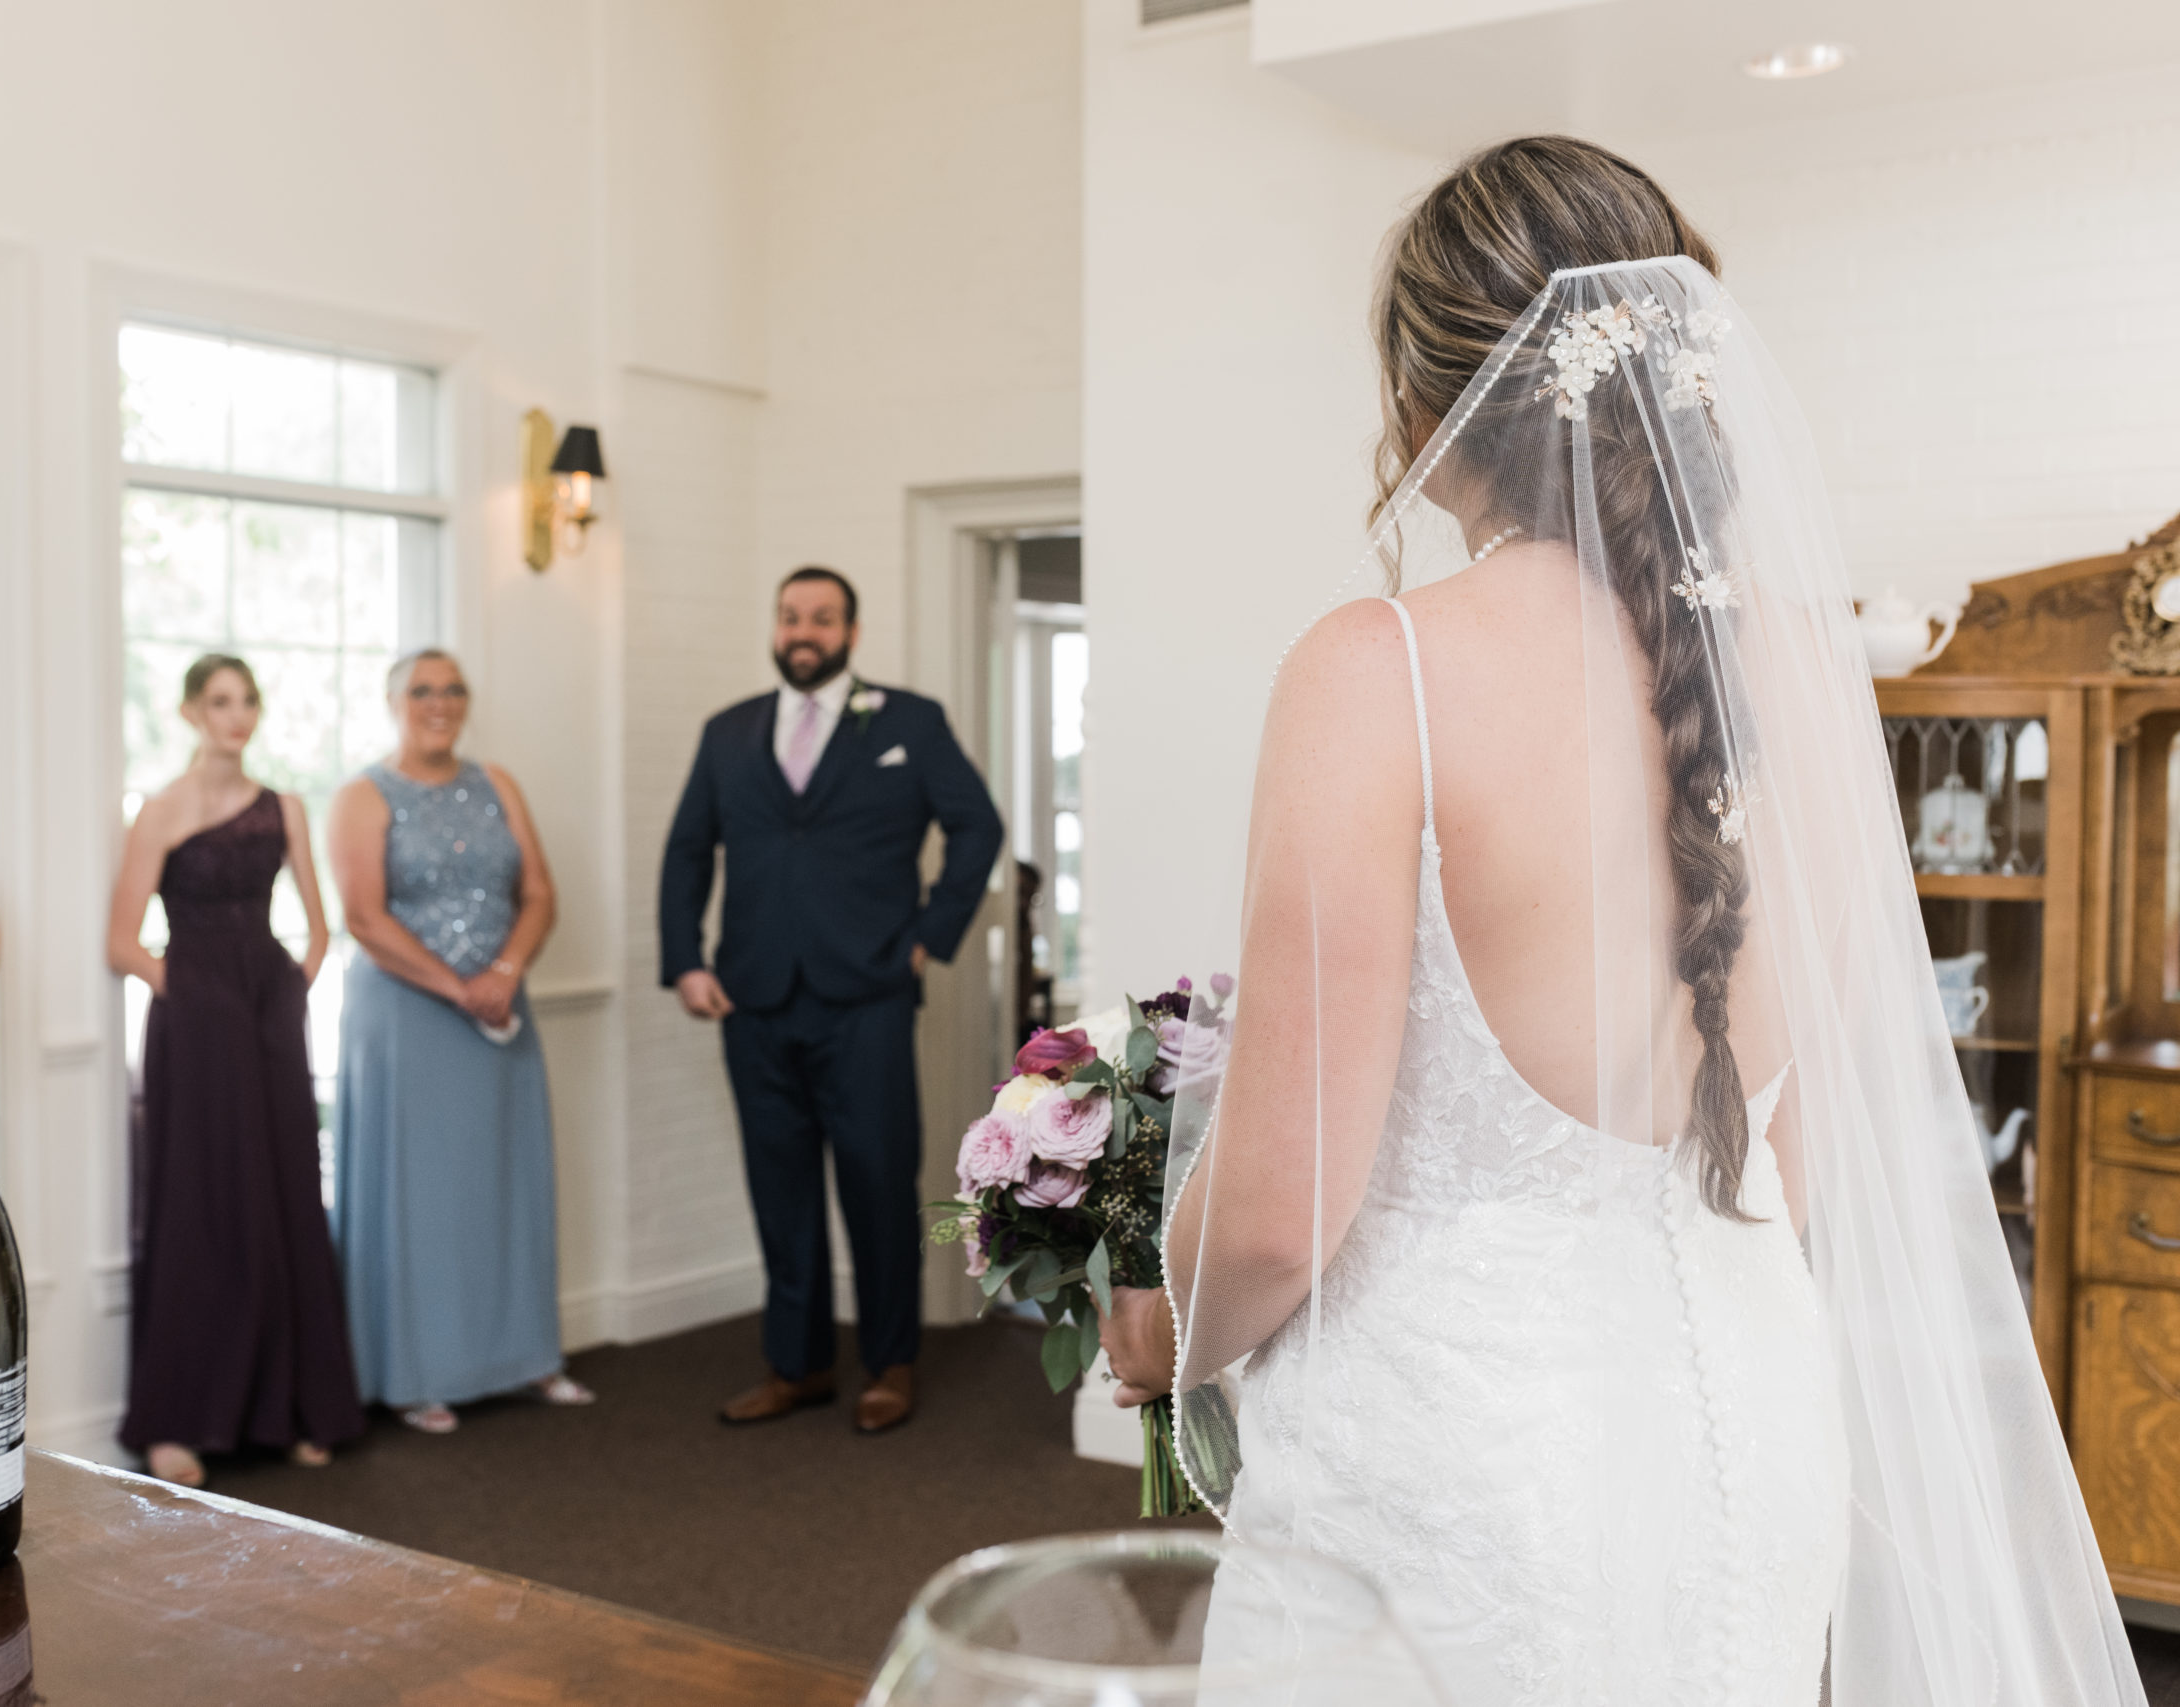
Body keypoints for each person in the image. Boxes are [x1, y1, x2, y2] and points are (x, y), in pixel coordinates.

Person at [1103, 137, 2144, 1703]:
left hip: (1453, 1473)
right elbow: (1785, 1171)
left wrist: (1148, 1324)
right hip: (1751, 1429)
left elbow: (1268, 1216)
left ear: (1424, 407)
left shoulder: (1374, 668)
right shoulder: (1803, 668)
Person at [659, 566, 1003, 1434]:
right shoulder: (728, 731)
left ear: (850, 632)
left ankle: (890, 1362)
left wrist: (933, 932)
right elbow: (687, 853)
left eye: (820, 617)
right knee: (780, 1191)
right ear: (775, 628)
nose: (802, 630)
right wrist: (684, 961)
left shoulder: (907, 722)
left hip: (869, 999)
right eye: (789, 616)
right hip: (754, 999)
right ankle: (798, 1364)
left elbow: (979, 825)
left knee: (879, 1183)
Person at [106, 654, 365, 1486]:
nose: (238, 716)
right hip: (195, 1019)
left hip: (270, 1012)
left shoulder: (284, 804)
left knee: (286, 1191)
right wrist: (186, 992)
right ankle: (178, 1419)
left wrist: (290, 990)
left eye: (248, 701)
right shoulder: (160, 810)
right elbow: (120, 941)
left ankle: (294, 1405)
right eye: (221, 702)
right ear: (189, 712)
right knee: (200, 1198)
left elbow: (321, 929)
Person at [328, 648, 591, 1432]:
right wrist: (458, 987)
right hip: (407, 1014)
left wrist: (504, 971)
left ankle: (526, 1356)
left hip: (501, 1004)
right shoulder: (362, 795)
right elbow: (365, 918)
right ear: (393, 702)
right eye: (422, 691)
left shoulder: (496, 782)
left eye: (453, 690)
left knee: (507, 1178)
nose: (439, 703)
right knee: (420, 1191)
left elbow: (538, 890)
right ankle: (415, 1371)